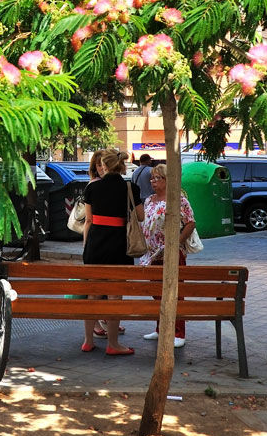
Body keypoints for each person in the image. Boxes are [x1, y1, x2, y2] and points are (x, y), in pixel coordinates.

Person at [80, 149, 140, 356]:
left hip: (95, 244)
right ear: (122, 167)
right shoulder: (131, 187)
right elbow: (139, 216)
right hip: (119, 246)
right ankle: (113, 344)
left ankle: (88, 341)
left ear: (104, 166)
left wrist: (87, 246)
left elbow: (88, 220)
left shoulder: (92, 188)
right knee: (115, 296)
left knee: (93, 294)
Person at [140, 163, 196, 348]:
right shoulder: (149, 200)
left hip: (171, 254)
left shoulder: (178, 200)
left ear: (167, 180)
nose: (153, 181)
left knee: (175, 293)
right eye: (152, 178)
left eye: (157, 178)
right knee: (157, 293)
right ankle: (161, 328)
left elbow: (190, 223)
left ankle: (178, 332)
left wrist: (175, 243)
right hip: (152, 255)